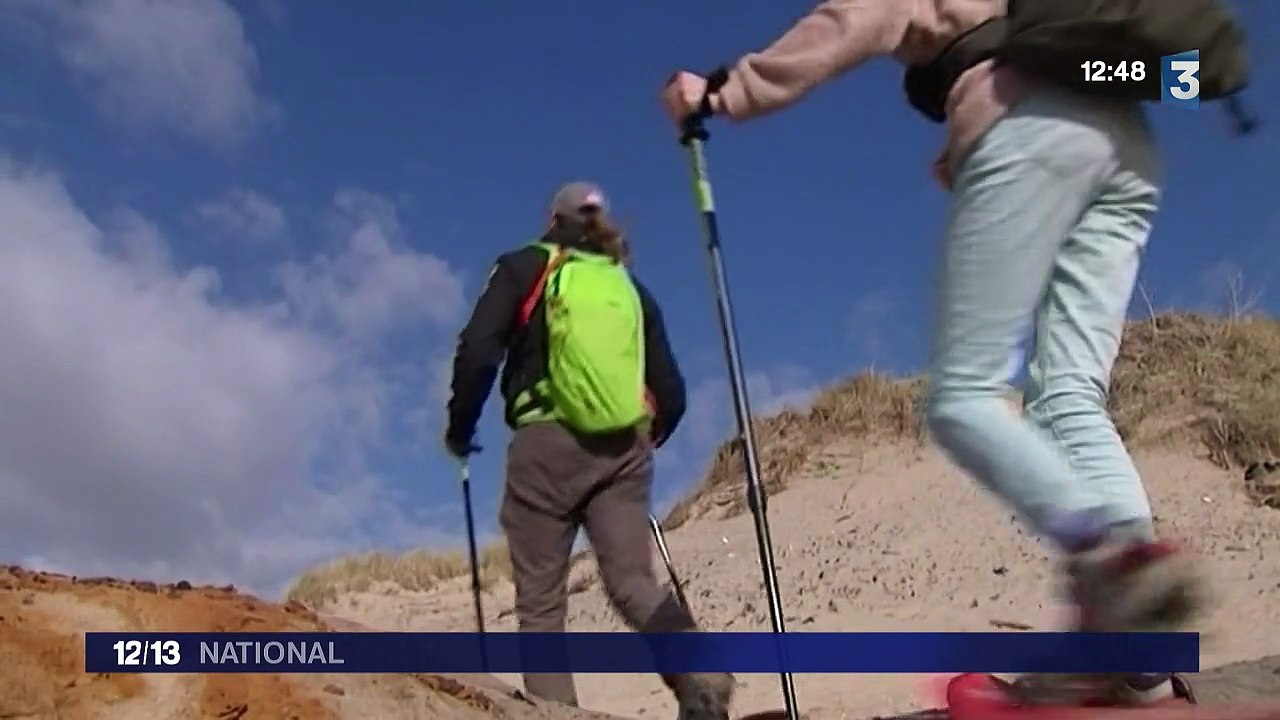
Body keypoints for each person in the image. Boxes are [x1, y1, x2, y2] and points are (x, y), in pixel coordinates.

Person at [660, 0, 1205, 709]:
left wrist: (723, 91)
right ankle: (1139, 666)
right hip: (1125, 142)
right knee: (1070, 395)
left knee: (963, 401)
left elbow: (853, 22)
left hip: (1028, 132)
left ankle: (1113, 573)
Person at [443, 181, 736, 719]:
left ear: (552, 219)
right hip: (625, 450)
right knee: (632, 583)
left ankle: (557, 713)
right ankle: (701, 671)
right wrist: (644, 437)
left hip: (545, 445)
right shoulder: (627, 286)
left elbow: (479, 349)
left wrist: (461, 428)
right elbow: (670, 389)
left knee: (541, 599)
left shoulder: (524, 266)